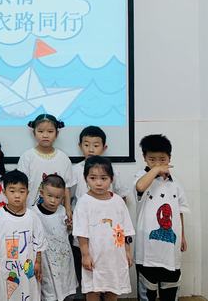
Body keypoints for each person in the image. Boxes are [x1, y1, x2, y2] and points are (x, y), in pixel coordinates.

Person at [134, 135, 189, 301]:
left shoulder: (176, 183)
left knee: (170, 291)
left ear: (169, 158)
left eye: (162, 159)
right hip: (147, 250)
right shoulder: (141, 177)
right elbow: (140, 187)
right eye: (152, 159)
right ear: (144, 158)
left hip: (171, 249)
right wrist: (156, 170)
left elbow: (179, 211)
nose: (157, 163)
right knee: (147, 293)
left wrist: (183, 236)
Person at [73, 156, 134, 301]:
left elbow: (125, 229)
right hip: (94, 256)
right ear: (85, 178)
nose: (98, 183)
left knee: (113, 289)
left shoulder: (118, 201)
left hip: (115, 256)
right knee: (93, 290)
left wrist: (127, 251)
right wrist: (85, 255)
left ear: (111, 179)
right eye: (93, 178)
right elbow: (81, 232)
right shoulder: (84, 202)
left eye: (103, 178)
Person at [0, 170, 46, 301]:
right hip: (5, 267)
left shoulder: (33, 217)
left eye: (21, 191)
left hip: (27, 268)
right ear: (4, 192)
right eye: (12, 191)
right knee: (5, 294)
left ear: (27, 193)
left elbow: (39, 242)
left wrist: (38, 262)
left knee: (29, 292)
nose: (17, 195)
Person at [17, 114, 74, 221]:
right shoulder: (27, 157)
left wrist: (68, 209)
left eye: (50, 131)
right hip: (31, 212)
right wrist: (22, 209)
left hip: (57, 215)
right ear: (34, 133)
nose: (45, 135)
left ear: (57, 134)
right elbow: (21, 186)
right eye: (40, 131)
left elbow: (66, 187)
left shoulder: (63, 158)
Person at [32, 174, 77, 301]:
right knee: (48, 292)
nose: (53, 201)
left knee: (67, 291)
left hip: (64, 261)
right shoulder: (33, 213)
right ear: (42, 193)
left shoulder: (63, 212)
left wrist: (70, 226)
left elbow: (68, 232)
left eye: (57, 197)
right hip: (45, 262)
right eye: (50, 196)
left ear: (63, 197)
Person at [73, 126, 128, 204]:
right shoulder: (75, 170)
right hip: (82, 210)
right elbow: (68, 196)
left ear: (104, 148)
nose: (91, 150)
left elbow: (122, 196)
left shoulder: (111, 170)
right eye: (86, 145)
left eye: (96, 146)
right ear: (80, 146)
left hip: (107, 210)